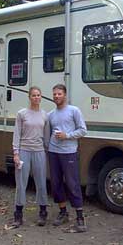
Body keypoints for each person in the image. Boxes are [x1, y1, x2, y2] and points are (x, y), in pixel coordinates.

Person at [48, 84, 88, 232]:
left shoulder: (74, 111)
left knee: (73, 184)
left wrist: (67, 136)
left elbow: (83, 130)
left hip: (69, 152)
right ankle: (63, 212)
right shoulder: (51, 114)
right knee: (56, 184)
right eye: (54, 94)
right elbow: (49, 132)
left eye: (59, 94)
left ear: (65, 95)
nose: (56, 96)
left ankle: (80, 218)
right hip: (53, 152)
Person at [11, 86, 50, 228]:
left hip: (39, 151)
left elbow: (46, 137)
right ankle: (18, 214)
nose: (36, 98)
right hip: (24, 151)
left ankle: (43, 211)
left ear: (41, 97)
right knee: (21, 183)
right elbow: (16, 134)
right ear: (29, 97)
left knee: (41, 182)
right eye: (34, 95)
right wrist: (16, 153)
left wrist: (47, 151)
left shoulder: (45, 115)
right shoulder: (22, 114)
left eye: (38, 95)